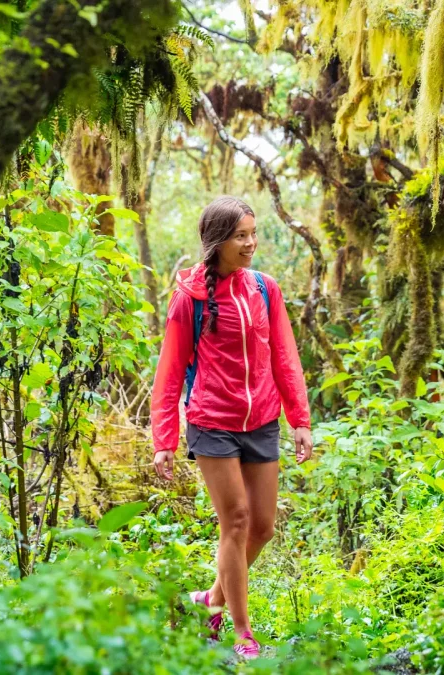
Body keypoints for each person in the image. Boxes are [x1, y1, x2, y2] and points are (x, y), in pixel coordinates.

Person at [150, 195, 314, 659]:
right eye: (241, 236)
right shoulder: (190, 298)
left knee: (262, 526)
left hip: (262, 419)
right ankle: (241, 632)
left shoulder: (265, 289)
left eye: (253, 233)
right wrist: (164, 438)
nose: (251, 243)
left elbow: (285, 356)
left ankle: (209, 601)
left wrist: (299, 419)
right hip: (212, 422)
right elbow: (169, 370)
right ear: (218, 241)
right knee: (236, 520)